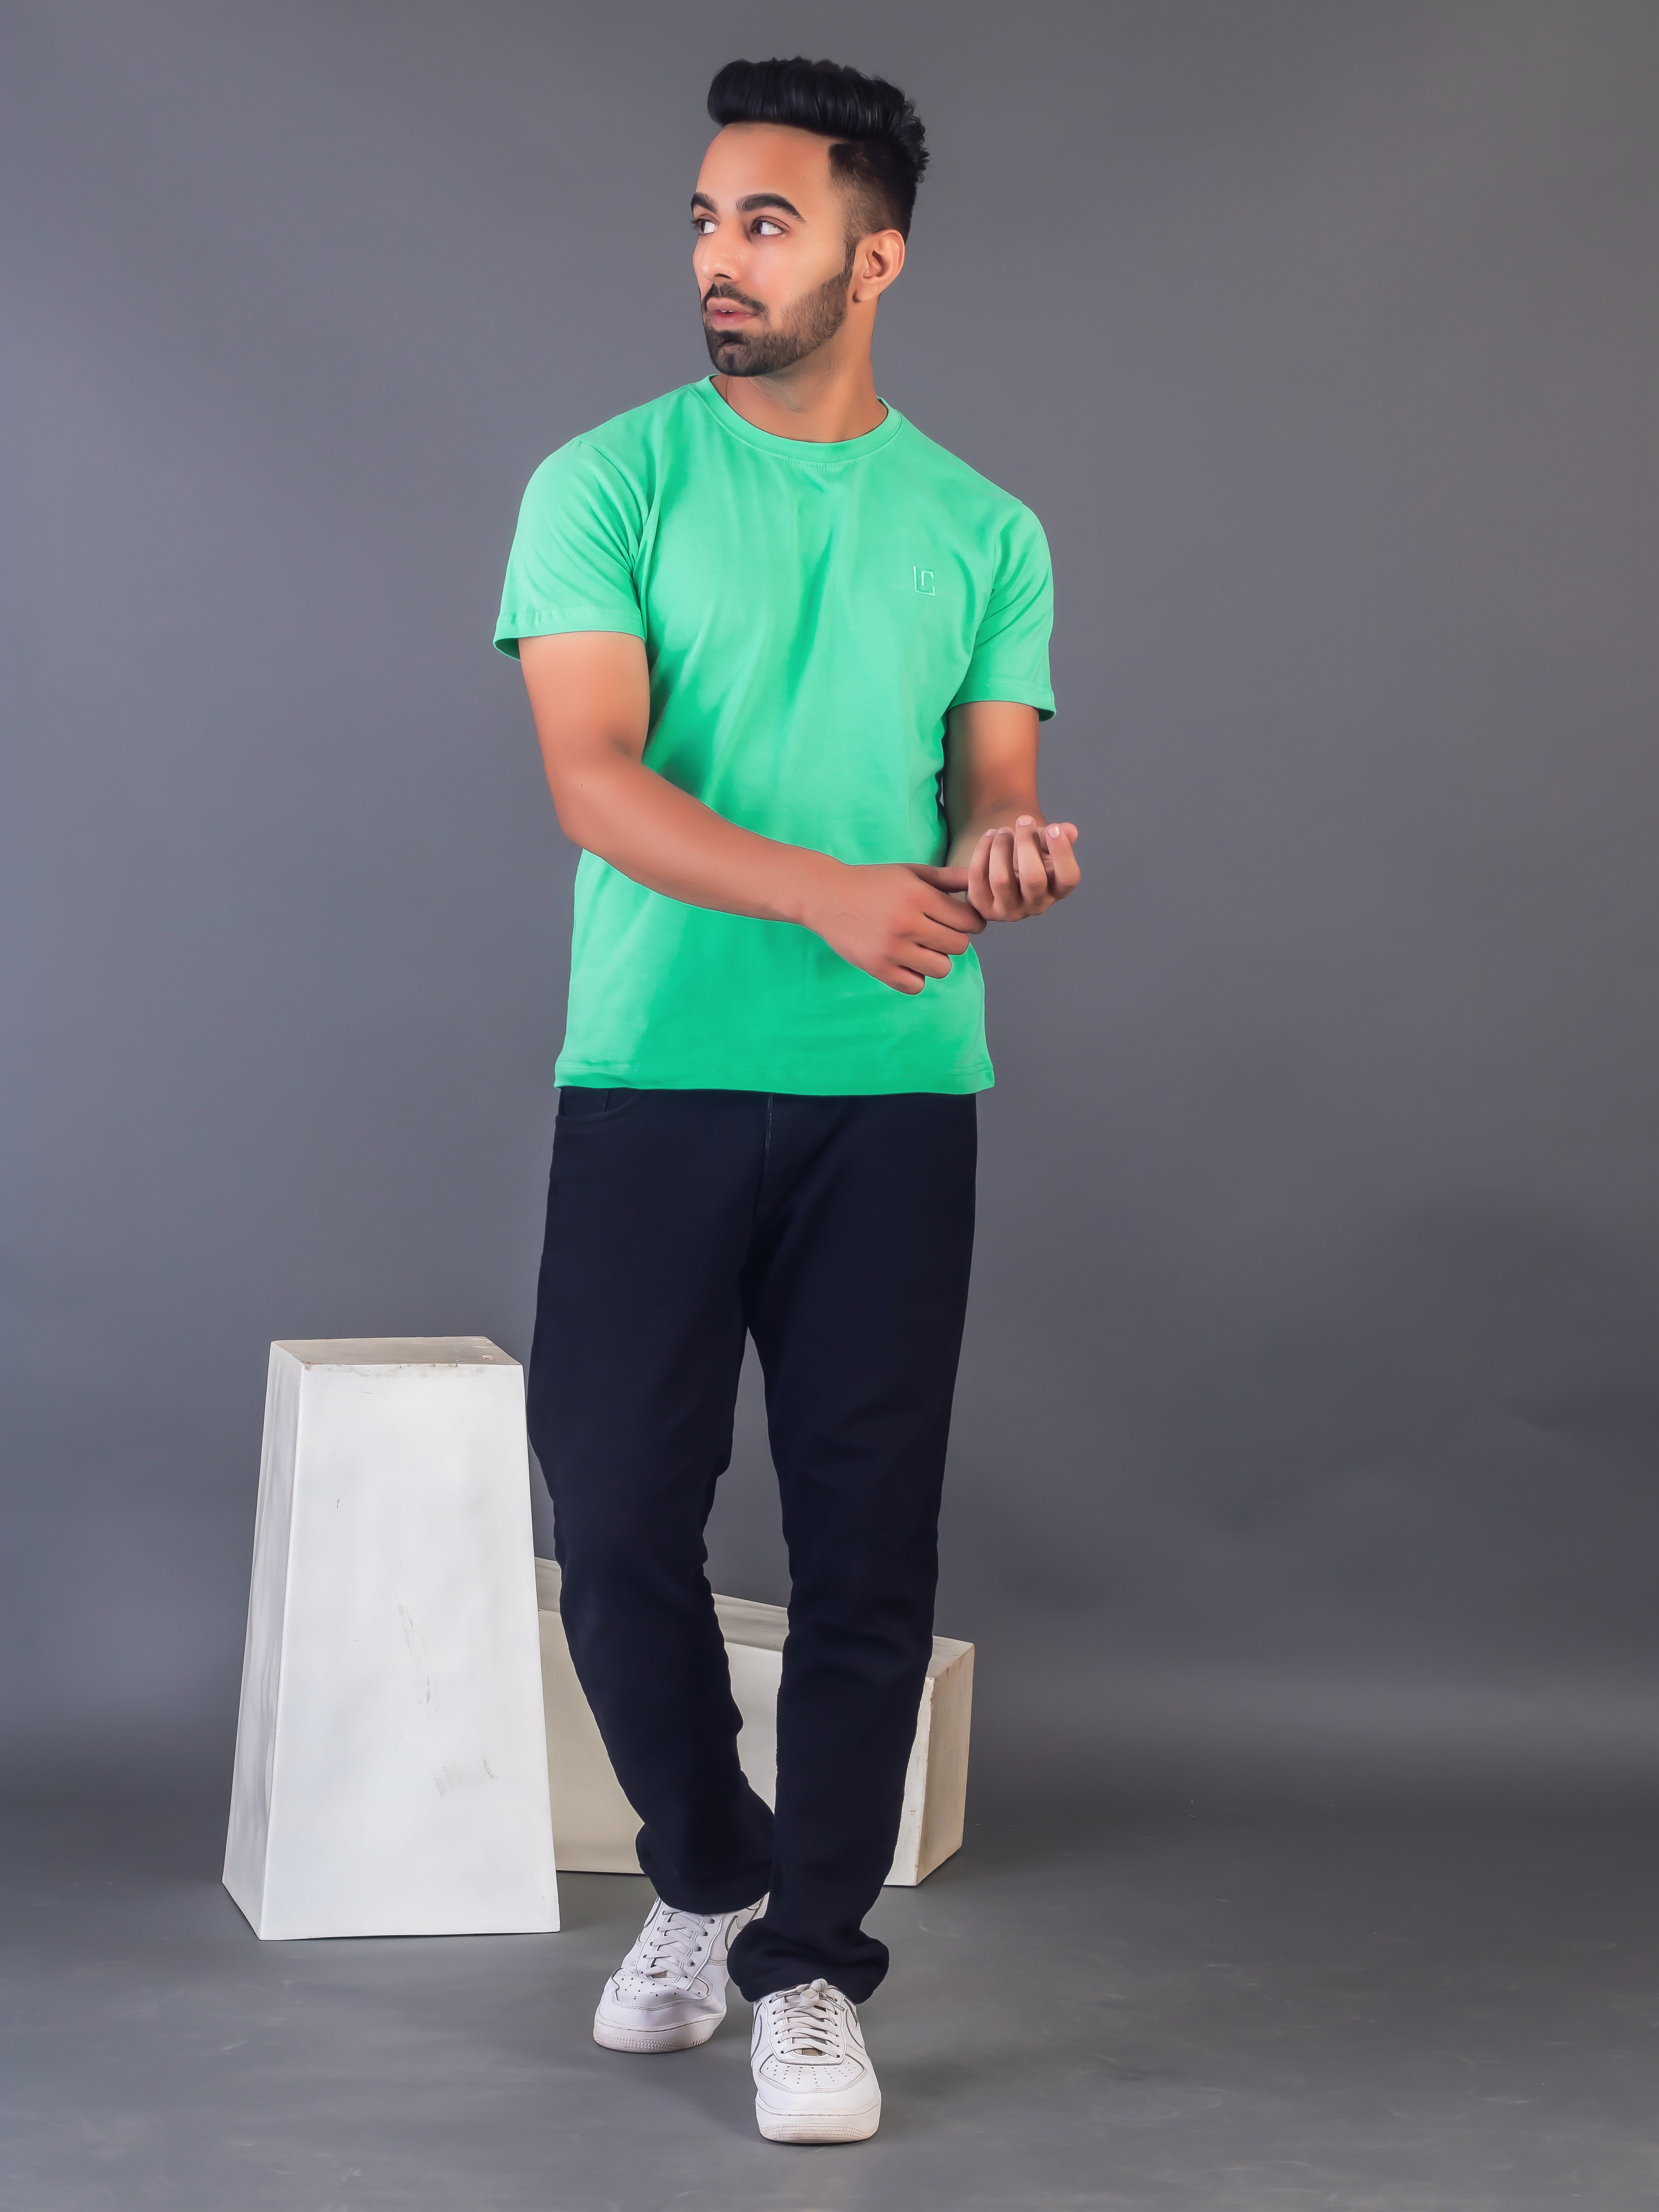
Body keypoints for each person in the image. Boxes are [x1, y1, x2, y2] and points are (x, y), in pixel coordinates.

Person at [495, 54, 1079, 2146]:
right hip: (652, 1071)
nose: (718, 258)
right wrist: (826, 888)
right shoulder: (602, 482)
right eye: (702, 220)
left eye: (766, 221)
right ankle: (706, 1864)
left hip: (893, 1095)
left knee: (863, 1547)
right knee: (613, 1523)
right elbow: (594, 779)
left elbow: (989, 783)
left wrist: (1007, 849)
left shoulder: (984, 528)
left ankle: (810, 1963)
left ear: (874, 257)